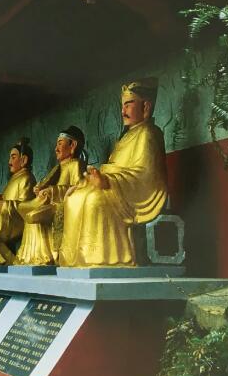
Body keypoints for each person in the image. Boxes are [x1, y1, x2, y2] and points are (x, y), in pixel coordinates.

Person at [59, 78, 168, 267]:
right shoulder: (125, 138)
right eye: (122, 106)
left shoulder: (148, 133)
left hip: (132, 193)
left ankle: (102, 257)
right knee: (73, 197)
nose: (123, 111)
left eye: (128, 104)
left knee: (94, 200)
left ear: (145, 107)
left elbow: (145, 176)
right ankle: (75, 258)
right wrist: (89, 181)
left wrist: (109, 181)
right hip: (113, 186)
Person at [15, 126, 86, 265]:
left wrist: (52, 191)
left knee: (33, 216)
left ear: (72, 145)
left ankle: (44, 256)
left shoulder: (75, 164)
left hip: (60, 205)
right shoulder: (57, 168)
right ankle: (29, 256)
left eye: (60, 143)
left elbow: (78, 187)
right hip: (48, 201)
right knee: (23, 208)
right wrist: (40, 189)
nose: (56, 148)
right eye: (56, 144)